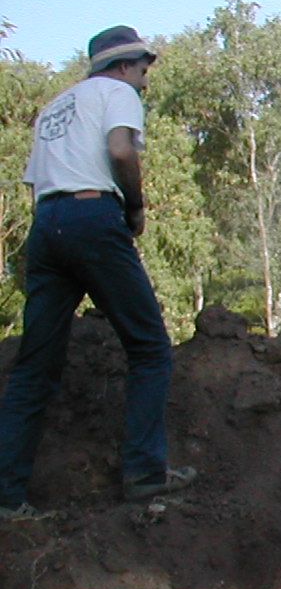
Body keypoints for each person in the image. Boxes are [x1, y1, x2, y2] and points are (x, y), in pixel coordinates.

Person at [0, 26, 197, 519]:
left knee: (34, 366)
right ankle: (145, 473)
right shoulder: (118, 93)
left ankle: (7, 495)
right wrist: (135, 207)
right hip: (94, 216)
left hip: (47, 225)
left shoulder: (54, 108)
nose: (146, 82)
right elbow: (120, 152)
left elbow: (34, 185)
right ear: (126, 65)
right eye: (144, 71)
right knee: (151, 347)